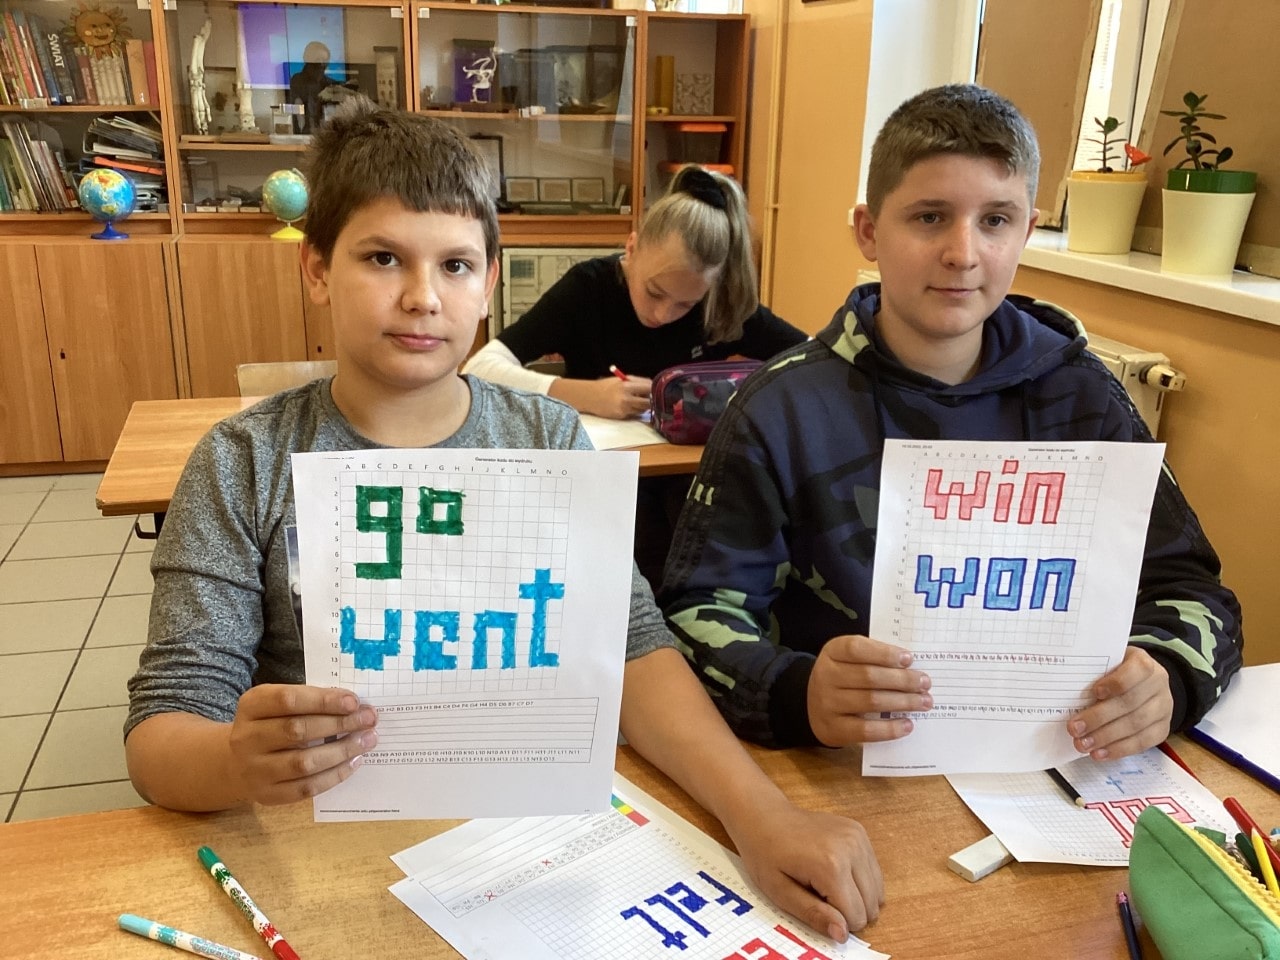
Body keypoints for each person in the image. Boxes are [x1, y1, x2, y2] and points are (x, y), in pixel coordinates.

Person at [125, 98, 882, 940]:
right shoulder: (242, 462)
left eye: (454, 265)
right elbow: (163, 730)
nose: (422, 297)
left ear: (488, 281)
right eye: (382, 257)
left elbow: (632, 649)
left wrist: (762, 814)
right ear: (316, 269)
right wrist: (234, 761)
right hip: (325, 860)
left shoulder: (547, 441)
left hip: (531, 851)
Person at [660, 84, 1244, 761]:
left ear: (1027, 232)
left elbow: (1193, 591)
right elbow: (692, 615)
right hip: (847, 766)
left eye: (995, 220)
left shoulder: (1085, 399)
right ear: (869, 231)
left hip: (1058, 761)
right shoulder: (779, 409)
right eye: (930, 217)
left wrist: (1168, 675)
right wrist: (796, 691)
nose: (963, 253)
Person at [461, 164, 806, 421]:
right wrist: (586, 395)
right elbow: (480, 368)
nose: (663, 314)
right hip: (604, 470)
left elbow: (814, 360)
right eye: (654, 292)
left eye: (687, 304)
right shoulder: (589, 288)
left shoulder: (723, 302)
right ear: (632, 247)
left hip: (686, 474)